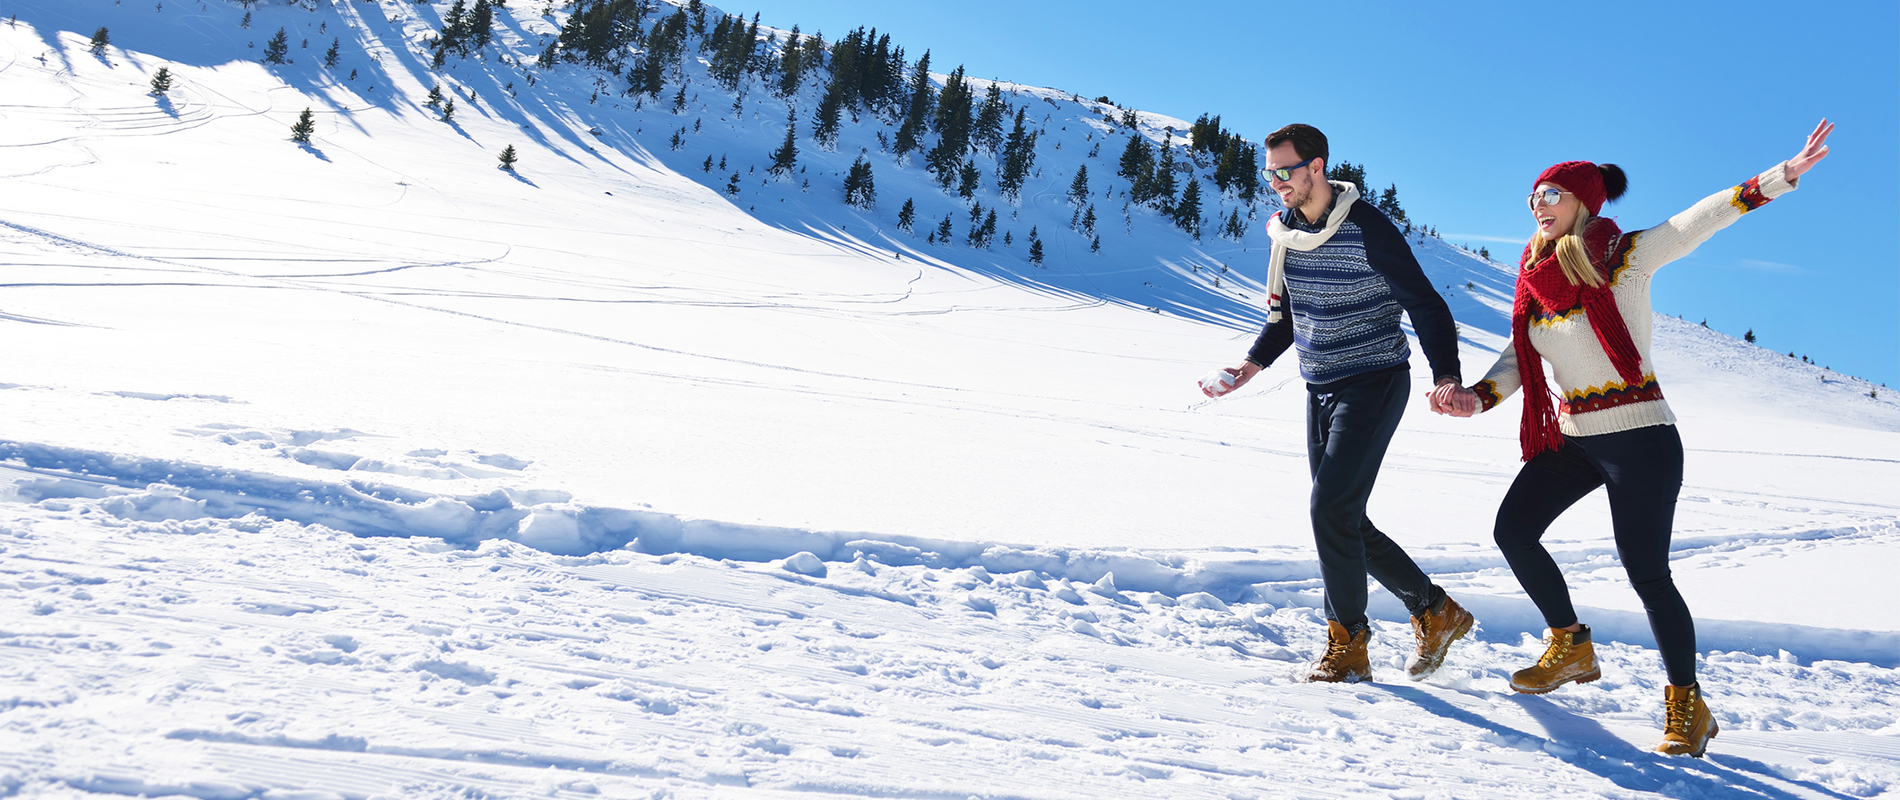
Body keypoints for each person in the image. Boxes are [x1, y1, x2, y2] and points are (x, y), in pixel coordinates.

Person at [1431, 121, 1834, 757]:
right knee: (1513, 529)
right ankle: (1569, 644)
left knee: (1646, 572)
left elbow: (1695, 222)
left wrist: (1778, 178)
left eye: (1552, 194)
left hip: (1641, 437)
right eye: (1533, 196)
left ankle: (1687, 705)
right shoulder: (1535, 284)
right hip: (1575, 437)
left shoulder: (1625, 261)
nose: (1539, 205)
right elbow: (1521, 357)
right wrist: (1478, 397)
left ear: (1583, 204)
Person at [1202, 123, 1476, 684]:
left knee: (1330, 511)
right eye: (1269, 172)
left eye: (1286, 170)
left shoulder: (1367, 227)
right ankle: (1435, 610)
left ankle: (1348, 644)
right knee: (1343, 518)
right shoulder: (1286, 234)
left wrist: (1447, 375)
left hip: (1374, 381)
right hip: (1319, 387)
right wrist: (1247, 368)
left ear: (1317, 167)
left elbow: (1425, 306)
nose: (1276, 182)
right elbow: (1284, 318)